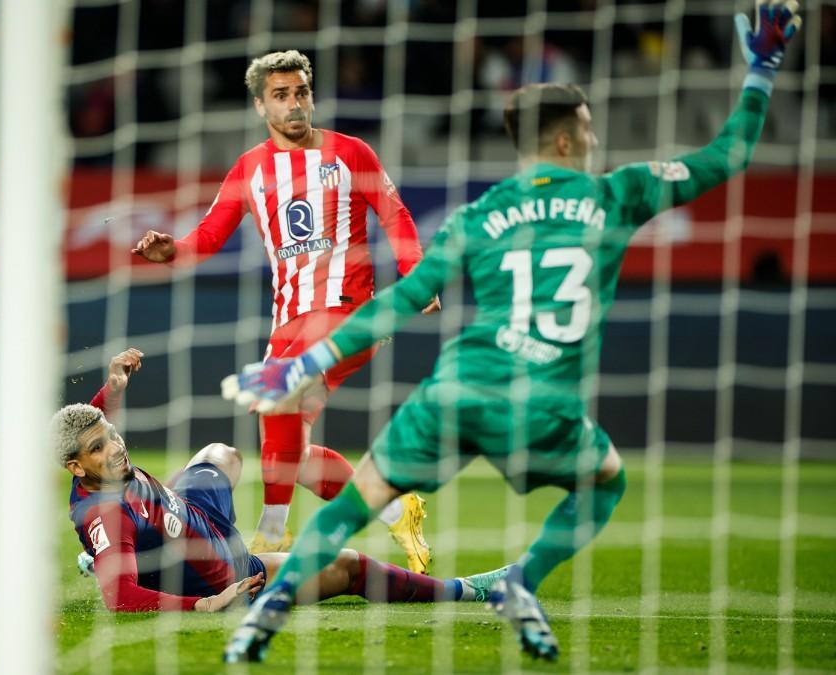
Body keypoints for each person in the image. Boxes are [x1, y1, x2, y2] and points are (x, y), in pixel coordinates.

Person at [221, 1, 801, 663]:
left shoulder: (477, 214)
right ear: (563, 141)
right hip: (541, 401)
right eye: (586, 128)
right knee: (606, 480)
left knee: (357, 501)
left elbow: (403, 299)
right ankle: (522, 579)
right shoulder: (618, 194)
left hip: (455, 390)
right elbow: (729, 154)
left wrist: (300, 366)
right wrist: (762, 69)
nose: (593, 139)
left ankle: (262, 616)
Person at [132, 50, 438, 571]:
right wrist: (171, 252)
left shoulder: (350, 153)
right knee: (287, 452)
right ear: (260, 106)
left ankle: (273, 533)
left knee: (275, 397)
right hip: (288, 323)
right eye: (281, 96)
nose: (294, 104)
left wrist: (416, 274)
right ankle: (394, 507)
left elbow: (396, 213)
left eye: (301, 93)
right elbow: (207, 237)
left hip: (349, 309)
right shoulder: (249, 169)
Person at [57, 348, 510, 612]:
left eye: (111, 437)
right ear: (77, 467)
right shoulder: (107, 514)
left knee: (222, 454)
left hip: (194, 513)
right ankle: (472, 590)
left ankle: (107, 555)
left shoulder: (99, 459)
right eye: (99, 450)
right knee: (348, 563)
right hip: (226, 569)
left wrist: (113, 388)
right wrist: (203, 605)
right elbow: (119, 598)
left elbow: (94, 429)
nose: (115, 448)